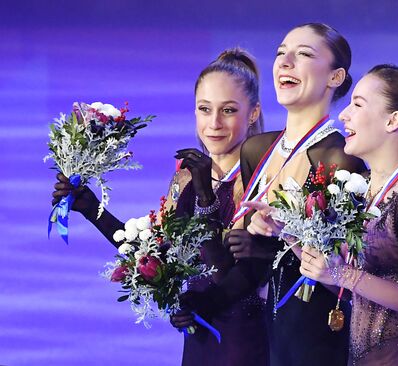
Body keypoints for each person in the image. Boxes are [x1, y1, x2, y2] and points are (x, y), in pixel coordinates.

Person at [52, 48, 269, 366]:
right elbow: (153, 254)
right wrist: (92, 210)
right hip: (199, 336)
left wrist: (206, 195)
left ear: (253, 113)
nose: (214, 123)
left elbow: (236, 277)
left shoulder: (261, 179)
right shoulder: (184, 179)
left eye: (229, 111)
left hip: (245, 339)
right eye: (204, 109)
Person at [187, 23, 367, 366]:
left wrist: (270, 243)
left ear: (335, 77)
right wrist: (207, 302)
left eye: (303, 55)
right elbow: (254, 266)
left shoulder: (340, 156)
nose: (286, 62)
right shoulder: (256, 148)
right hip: (266, 333)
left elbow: (339, 270)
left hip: (313, 335)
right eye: (281, 53)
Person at [297, 64, 398, 365]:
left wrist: (345, 274)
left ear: (393, 121)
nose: (344, 114)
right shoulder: (360, 188)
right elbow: (354, 286)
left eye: (358, 104)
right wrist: (286, 232)